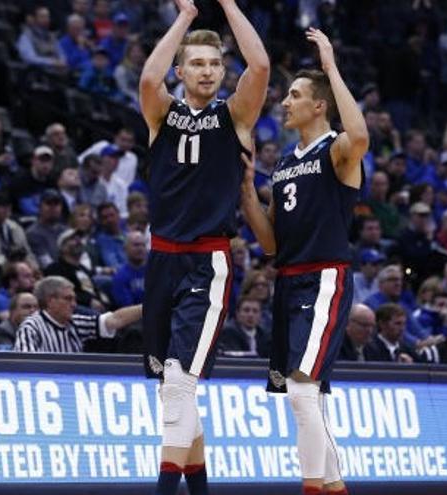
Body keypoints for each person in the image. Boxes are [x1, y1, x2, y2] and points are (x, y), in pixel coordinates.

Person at [139, 0, 269, 493]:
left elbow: (259, 66)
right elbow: (149, 81)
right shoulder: (162, 112)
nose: (208, 70)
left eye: (215, 63)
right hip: (161, 259)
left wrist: (230, 5)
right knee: (174, 393)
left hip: (206, 261)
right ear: (182, 71)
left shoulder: (235, 117)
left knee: (178, 383)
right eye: (197, 63)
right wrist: (186, 19)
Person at [240, 27, 366, 495]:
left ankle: (311, 488)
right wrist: (248, 191)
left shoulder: (336, 149)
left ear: (319, 105)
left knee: (300, 389)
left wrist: (331, 67)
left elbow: (360, 134)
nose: (284, 101)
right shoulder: (286, 164)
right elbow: (271, 243)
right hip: (288, 281)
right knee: (310, 399)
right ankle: (332, 488)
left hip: (324, 278)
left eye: (295, 95)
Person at [14, 275, 141, 352]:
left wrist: (150, 307)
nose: (74, 304)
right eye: (68, 299)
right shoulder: (31, 327)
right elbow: (25, 365)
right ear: (51, 301)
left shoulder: (75, 323)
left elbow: (115, 320)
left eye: (74, 299)